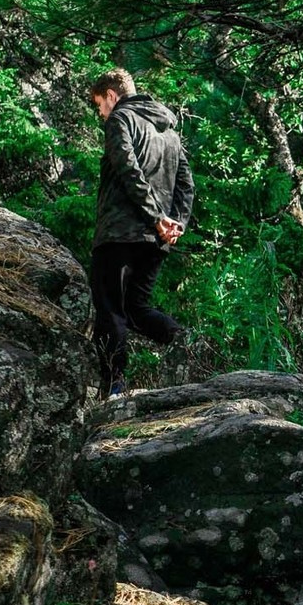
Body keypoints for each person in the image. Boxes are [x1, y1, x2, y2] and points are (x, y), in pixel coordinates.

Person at [87, 67, 194, 393]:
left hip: (120, 233)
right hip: (156, 240)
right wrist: (175, 223)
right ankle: (185, 342)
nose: (101, 114)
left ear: (111, 95)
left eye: (99, 105)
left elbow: (127, 167)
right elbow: (186, 185)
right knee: (136, 309)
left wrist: (155, 218)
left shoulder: (121, 119)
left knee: (110, 311)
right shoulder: (170, 133)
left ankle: (114, 389)